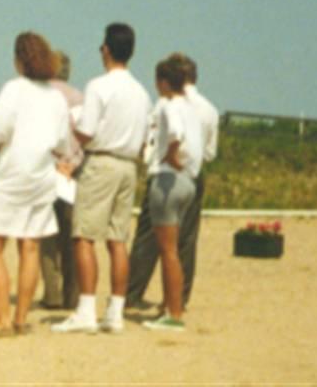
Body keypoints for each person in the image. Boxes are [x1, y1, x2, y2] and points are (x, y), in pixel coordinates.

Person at [52, 23, 151, 334]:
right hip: (128, 166)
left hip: (102, 162)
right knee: (117, 239)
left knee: (83, 235)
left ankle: (86, 309)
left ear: (106, 49)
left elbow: (86, 131)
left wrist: (70, 129)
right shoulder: (141, 92)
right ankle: (116, 310)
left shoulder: (98, 86)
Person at [0, 32, 71, 337]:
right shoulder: (56, 96)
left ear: (19, 59)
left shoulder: (13, 90)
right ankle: (20, 318)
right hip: (41, 175)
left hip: (10, 175)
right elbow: (61, 141)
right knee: (30, 246)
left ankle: (1, 319)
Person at [126, 53, 219, 310]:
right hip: (194, 174)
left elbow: (156, 134)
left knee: (149, 236)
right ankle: (180, 297)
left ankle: (133, 292)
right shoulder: (209, 109)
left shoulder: (166, 103)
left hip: (168, 172)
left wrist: (168, 156)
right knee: (186, 240)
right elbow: (210, 152)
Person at [141, 57, 203, 331]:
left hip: (169, 179)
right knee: (175, 249)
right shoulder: (193, 108)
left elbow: (175, 133)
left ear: (164, 82)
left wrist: (170, 155)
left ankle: (173, 313)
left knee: (167, 251)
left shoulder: (169, 106)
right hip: (189, 180)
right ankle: (171, 307)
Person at [39, 51, 82, 310]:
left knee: (47, 235)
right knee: (72, 233)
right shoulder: (79, 98)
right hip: (73, 171)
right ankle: (72, 293)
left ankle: (51, 293)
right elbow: (85, 136)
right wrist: (72, 163)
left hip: (46, 169)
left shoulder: (41, 97)